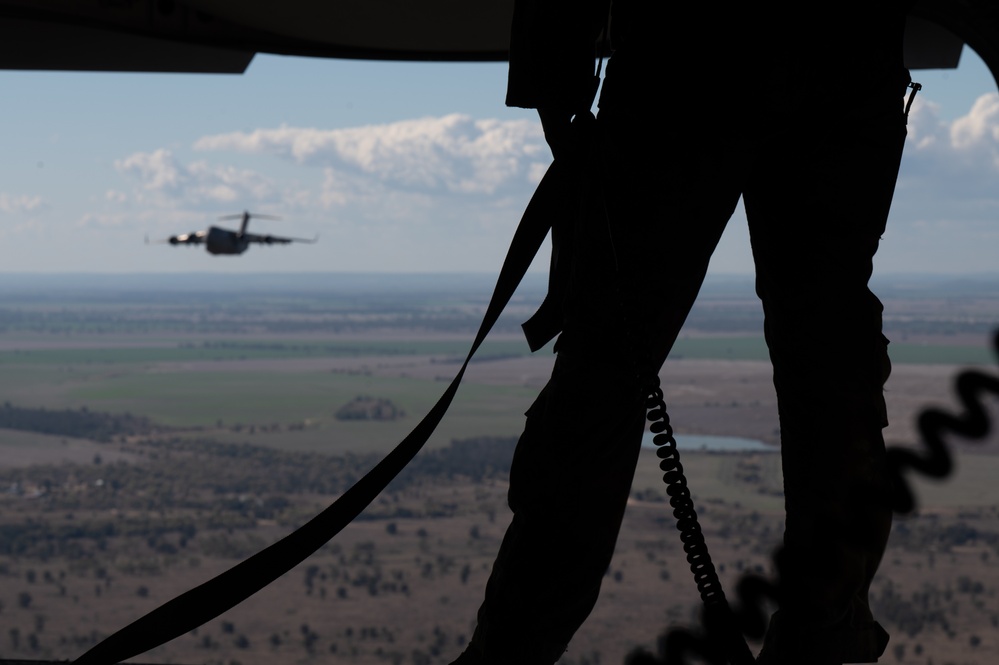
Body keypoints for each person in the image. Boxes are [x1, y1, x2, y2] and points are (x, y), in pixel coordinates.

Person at [451, 2, 914, 664]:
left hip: (687, 49)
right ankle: (828, 631)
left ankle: (512, 647)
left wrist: (561, 99)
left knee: (607, 368)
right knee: (829, 357)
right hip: (846, 53)